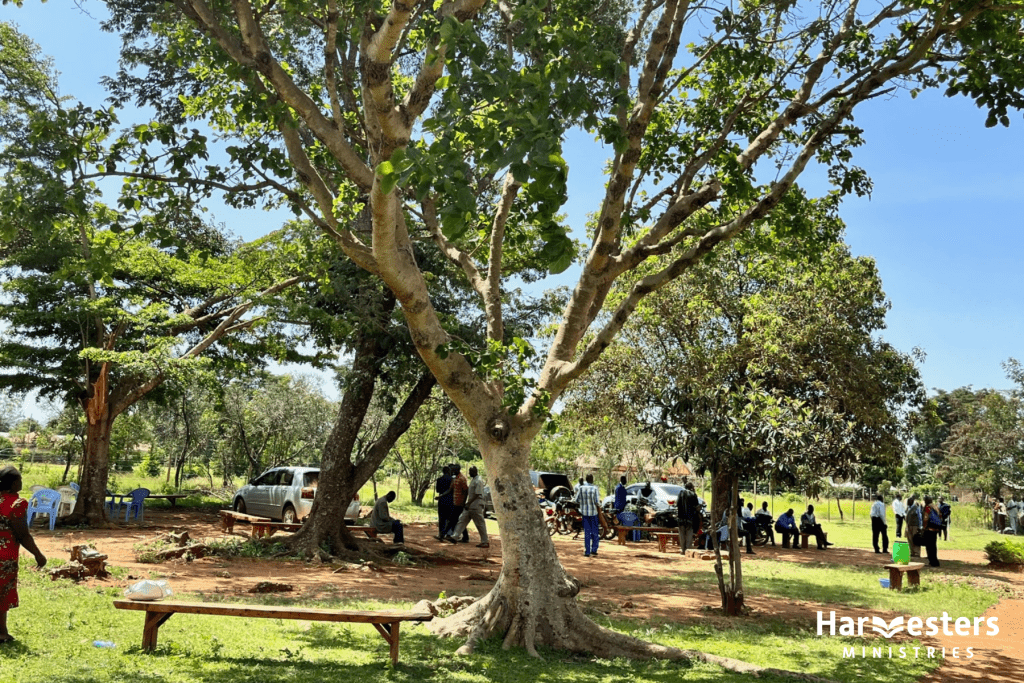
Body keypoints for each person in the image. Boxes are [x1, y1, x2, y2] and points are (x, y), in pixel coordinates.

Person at [1, 466, 47, 644]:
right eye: (19, 479)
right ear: (13, 484)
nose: (21, 482)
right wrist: (38, 555)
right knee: (3, 593)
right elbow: (22, 535)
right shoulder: (16, 504)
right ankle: (2, 632)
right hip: (5, 556)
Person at [445, 466, 489, 547]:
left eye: (470, 471)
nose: (469, 473)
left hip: (476, 505)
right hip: (470, 505)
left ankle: (485, 541)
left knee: (480, 523)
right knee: (462, 520)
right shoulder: (474, 480)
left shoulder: (478, 480)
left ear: (475, 471)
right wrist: (468, 503)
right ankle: (455, 537)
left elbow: (477, 494)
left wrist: (468, 503)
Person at [574, 474, 601, 557]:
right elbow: (597, 502)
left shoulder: (581, 488)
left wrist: (583, 504)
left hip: (585, 513)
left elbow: (576, 500)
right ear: (592, 480)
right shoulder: (595, 488)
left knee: (587, 532)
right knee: (595, 532)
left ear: (586, 480)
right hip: (593, 513)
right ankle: (594, 549)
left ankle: (587, 551)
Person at [676, 482, 700, 553]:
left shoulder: (680, 493)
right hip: (690, 518)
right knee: (689, 535)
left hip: (681, 518)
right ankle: (688, 550)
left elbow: (677, 504)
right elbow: (697, 507)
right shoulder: (693, 494)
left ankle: (683, 550)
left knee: (682, 535)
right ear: (692, 487)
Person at [449, 464, 470, 543]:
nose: (452, 471)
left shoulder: (462, 478)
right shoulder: (456, 478)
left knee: (455, 520)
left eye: (453, 470)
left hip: (460, 503)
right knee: (458, 520)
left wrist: (463, 502)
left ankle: (455, 537)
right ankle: (464, 537)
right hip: (455, 502)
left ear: (457, 470)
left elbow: (466, 490)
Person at [434, 466, 454, 541]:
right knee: (449, 517)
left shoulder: (439, 479)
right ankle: (448, 534)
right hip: (450, 500)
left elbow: (437, 490)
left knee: (441, 518)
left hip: (441, 500)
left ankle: (440, 533)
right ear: (449, 471)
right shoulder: (452, 479)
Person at [922, 495, 941, 567]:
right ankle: (935, 561)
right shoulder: (936, 507)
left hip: (929, 529)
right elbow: (940, 516)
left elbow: (925, 518)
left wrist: (924, 527)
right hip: (935, 529)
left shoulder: (927, 507)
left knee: (929, 546)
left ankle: (931, 561)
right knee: (933, 545)